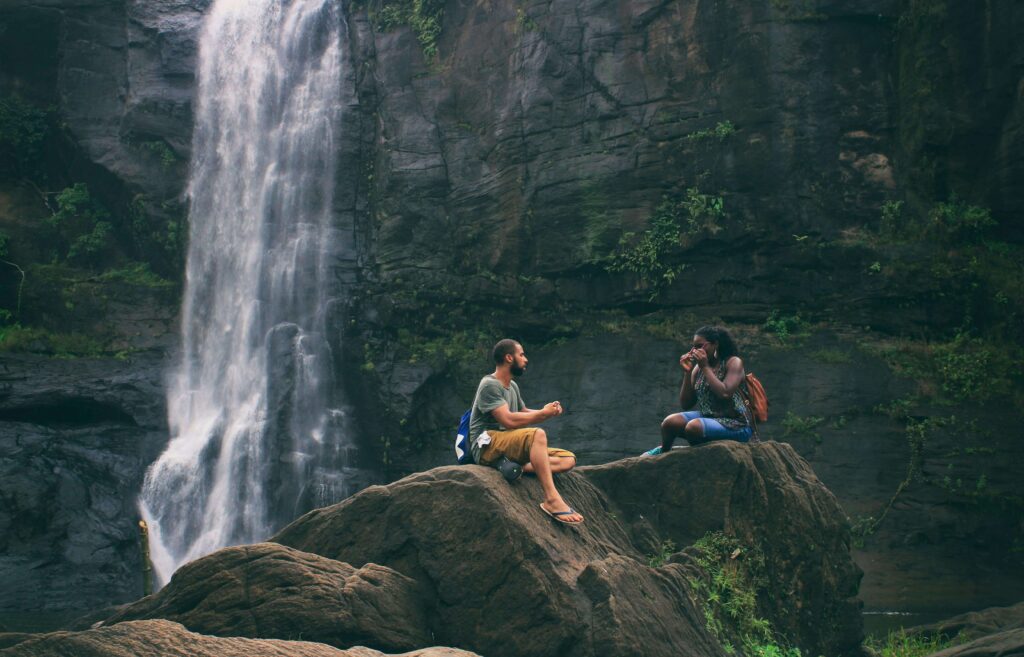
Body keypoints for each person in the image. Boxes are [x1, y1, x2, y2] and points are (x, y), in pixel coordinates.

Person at [469, 339, 583, 524]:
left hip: (506, 442)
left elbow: (522, 412)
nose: (526, 359)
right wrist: (541, 416)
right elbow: (507, 419)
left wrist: (546, 412)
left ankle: (514, 466)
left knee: (568, 459)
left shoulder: (511, 386)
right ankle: (552, 500)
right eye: (521, 354)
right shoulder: (490, 384)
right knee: (537, 434)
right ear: (508, 357)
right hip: (486, 444)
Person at [644, 325, 753, 455]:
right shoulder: (698, 368)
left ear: (715, 345)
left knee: (693, 427)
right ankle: (664, 453)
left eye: (699, 346)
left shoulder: (733, 362)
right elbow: (686, 404)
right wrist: (688, 372)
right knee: (669, 423)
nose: (694, 351)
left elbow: (725, 393)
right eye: (693, 347)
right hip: (709, 418)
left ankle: (699, 455)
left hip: (736, 424)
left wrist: (705, 367)